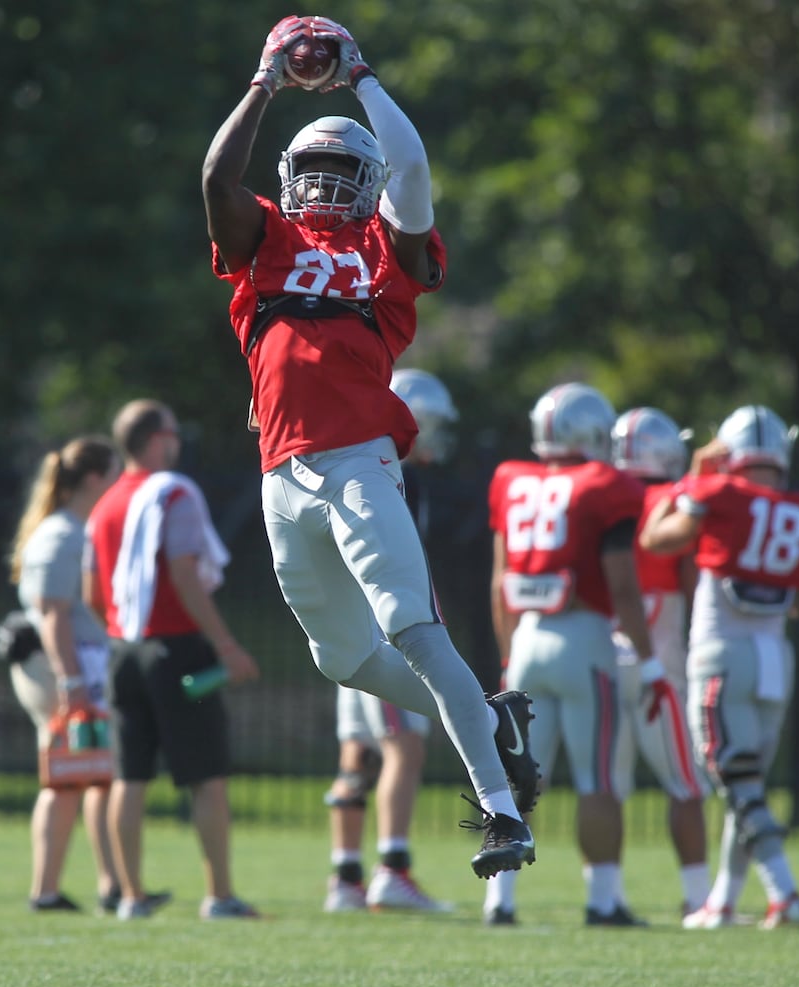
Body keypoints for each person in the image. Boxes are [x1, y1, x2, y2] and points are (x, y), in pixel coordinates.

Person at [201, 14, 538, 880]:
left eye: (342, 171)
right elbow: (215, 174)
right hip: (281, 474)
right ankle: (493, 720)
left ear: (371, 183)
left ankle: (501, 810)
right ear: (287, 175)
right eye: (309, 167)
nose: (322, 184)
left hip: (356, 460)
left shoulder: (385, 256)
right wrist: (263, 83)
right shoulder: (265, 241)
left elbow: (415, 171)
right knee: (341, 658)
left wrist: (363, 78)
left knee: (414, 630)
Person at [640, 404, 799, 930]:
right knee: (746, 784)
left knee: (737, 782)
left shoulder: (716, 493)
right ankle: (723, 902)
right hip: (775, 660)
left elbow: (654, 538)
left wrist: (692, 482)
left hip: (721, 656)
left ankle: (785, 892)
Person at [483, 383, 664, 926]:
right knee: (597, 778)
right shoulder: (605, 485)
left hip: (528, 641)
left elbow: (500, 583)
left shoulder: (511, 482)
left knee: (518, 781)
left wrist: (508, 660)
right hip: (584, 639)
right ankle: (603, 900)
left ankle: (500, 900)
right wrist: (651, 661)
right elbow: (624, 588)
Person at [84, 399, 261, 920]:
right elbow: (185, 574)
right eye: (173, 433)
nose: (177, 441)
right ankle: (219, 894)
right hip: (178, 647)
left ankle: (132, 896)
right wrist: (226, 646)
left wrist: (120, 633)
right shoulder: (173, 493)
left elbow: (93, 590)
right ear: (157, 439)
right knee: (206, 776)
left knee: (129, 776)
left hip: (123, 649)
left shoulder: (107, 501)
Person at [324, 368, 459, 913]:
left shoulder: (344, 462)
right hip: (385, 622)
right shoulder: (391, 476)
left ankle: (345, 878)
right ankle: (392, 870)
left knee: (356, 753)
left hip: (346, 619)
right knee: (404, 746)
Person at [8, 434, 122, 912]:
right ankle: (49, 890)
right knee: (67, 779)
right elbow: (53, 613)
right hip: (64, 669)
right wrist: (73, 683)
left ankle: (111, 885)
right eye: (114, 474)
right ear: (94, 478)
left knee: (93, 778)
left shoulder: (70, 528)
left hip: (74, 666)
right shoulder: (63, 534)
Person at [611, 407, 710, 920]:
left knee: (605, 785)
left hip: (601, 653)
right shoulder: (673, 498)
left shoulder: (597, 493)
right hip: (658, 655)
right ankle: (699, 897)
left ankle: (604, 895)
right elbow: (693, 584)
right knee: (686, 782)